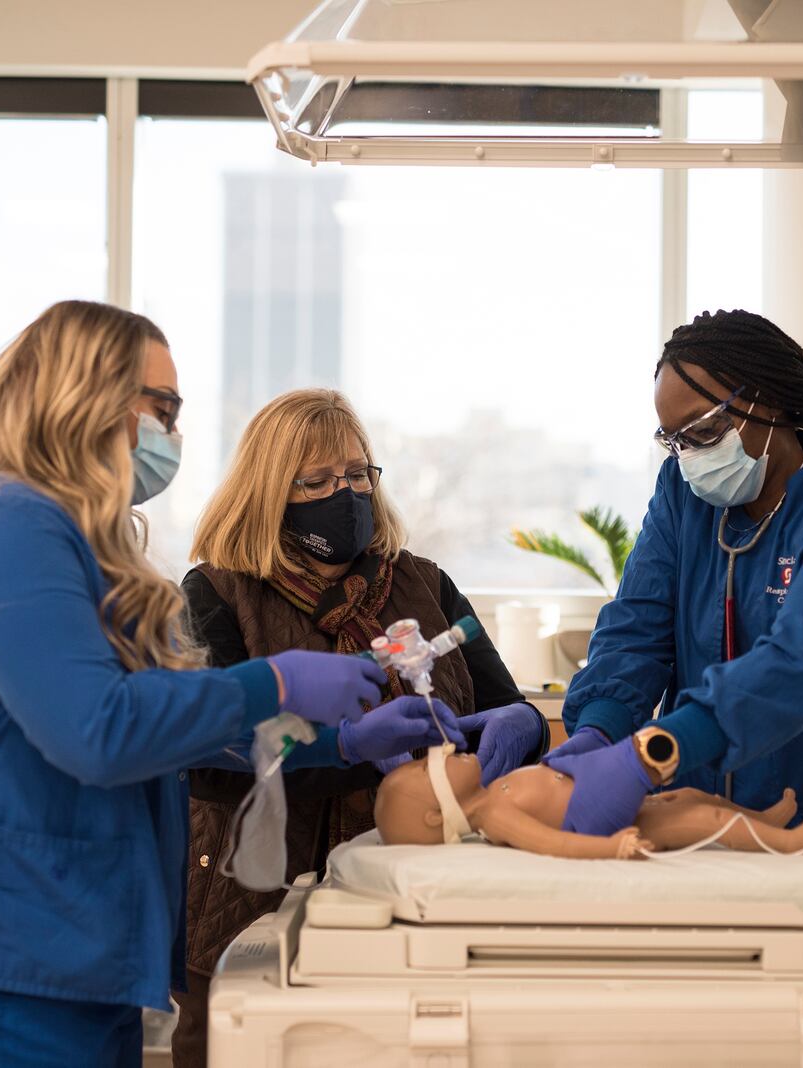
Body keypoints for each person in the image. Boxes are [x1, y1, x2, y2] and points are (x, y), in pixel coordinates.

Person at [0, 302, 458, 1068]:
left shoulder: (87, 549)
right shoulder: (2, 522)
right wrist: (275, 680)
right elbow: (99, 732)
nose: (170, 433)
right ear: (85, 396)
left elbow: (168, 725)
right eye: (161, 408)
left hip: (79, 966)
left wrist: (338, 742)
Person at [172, 388, 547, 1066]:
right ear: (267, 491)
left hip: (419, 908)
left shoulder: (426, 588)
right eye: (316, 481)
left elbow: (503, 709)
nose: (343, 493)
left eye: (357, 475)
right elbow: (202, 757)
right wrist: (347, 750)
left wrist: (523, 723)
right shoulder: (218, 596)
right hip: (251, 906)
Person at [547, 309, 803, 860]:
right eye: (675, 441)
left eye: (705, 431)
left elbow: (799, 665)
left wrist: (655, 750)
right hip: (691, 818)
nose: (689, 457)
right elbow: (636, 629)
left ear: (768, 401)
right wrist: (599, 729)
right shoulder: (682, 496)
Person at [374, 745, 803, 858]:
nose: (441, 754)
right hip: (607, 824)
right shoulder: (495, 816)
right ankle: (786, 844)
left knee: (689, 794)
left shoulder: (496, 792)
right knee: (701, 818)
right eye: (424, 769)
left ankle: (765, 821)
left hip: (613, 800)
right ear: (438, 814)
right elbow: (553, 844)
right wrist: (610, 849)